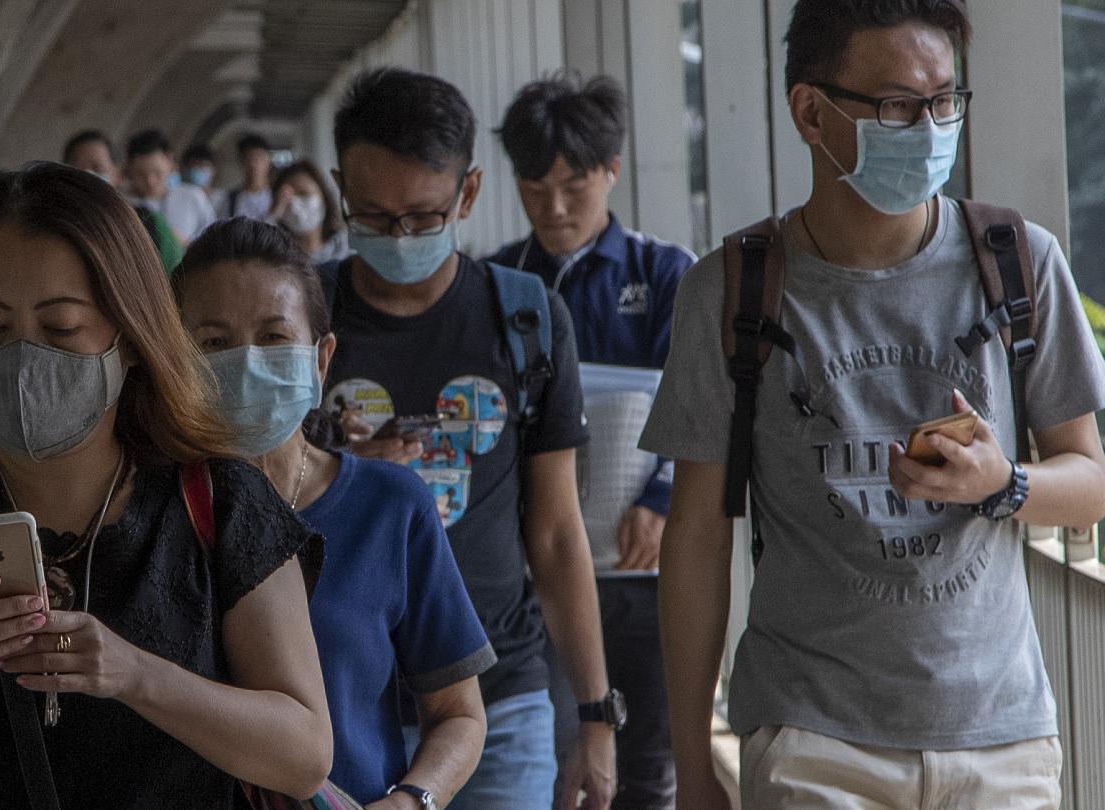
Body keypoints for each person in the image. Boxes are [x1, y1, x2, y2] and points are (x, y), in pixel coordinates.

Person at [640, 2, 1105, 808]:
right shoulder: (734, 290)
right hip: (813, 737)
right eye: (896, 105)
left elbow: (1092, 479)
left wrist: (1005, 484)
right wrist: (690, 760)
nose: (928, 128)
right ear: (810, 111)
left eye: (944, 101)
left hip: (1000, 738)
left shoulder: (1018, 262)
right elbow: (695, 537)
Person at [0, 162, 332, 809]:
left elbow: (305, 755)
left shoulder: (221, 503)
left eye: (60, 329)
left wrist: (136, 675)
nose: (23, 360)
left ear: (131, 338)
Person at [321, 67, 617, 810]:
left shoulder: (525, 319)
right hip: (334, 699)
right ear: (339, 192)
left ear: (470, 194)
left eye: (423, 217)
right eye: (374, 216)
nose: (398, 237)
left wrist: (594, 712)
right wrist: (332, 471)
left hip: (499, 696)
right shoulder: (293, 316)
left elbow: (554, 535)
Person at [175, 216, 491, 806]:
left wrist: (411, 799)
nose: (245, 363)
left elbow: (459, 713)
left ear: (321, 360)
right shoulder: (150, 510)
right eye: (213, 343)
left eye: (273, 337)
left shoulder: (389, 507)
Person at [490, 72, 694, 809]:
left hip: (643, 570)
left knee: (647, 766)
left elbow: (704, 403)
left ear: (612, 170)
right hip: (532, 575)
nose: (554, 206)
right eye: (534, 186)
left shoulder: (668, 275)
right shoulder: (499, 283)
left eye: (574, 184)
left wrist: (666, 495)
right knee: (543, 759)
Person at [62, 129, 183, 270]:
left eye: (98, 168)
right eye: (76, 168)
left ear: (117, 174)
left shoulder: (149, 226)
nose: (87, 175)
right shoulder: (48, 226)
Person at [123, 128, 218, 243]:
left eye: (157, 172)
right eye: (140, 174)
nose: (150, 181)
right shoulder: (123, 202)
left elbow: (214, 241)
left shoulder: (192, 196)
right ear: (129, 169)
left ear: (169, 161)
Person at [268, 160, 350, 264]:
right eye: (286, 198)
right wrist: (272, 216)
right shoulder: (276, 256)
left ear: (324, 199)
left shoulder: (347, 248)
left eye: (303, 194)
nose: (294, 204)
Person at [222, 133, 275, 220]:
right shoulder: (231, 200)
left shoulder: (276, 196)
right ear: (241, 162)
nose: (254, 165)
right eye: (248, 159)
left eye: (259, 158)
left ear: (269, 160)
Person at [182, 143, 228, 215]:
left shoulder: (223, 199)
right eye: (195, 165)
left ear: (213, 170)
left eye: (203, 165)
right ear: (186, 169)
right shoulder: (181, 197)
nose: (199, 169)